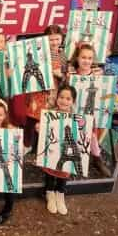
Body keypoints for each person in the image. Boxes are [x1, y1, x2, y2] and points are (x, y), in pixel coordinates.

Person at [68, 44, 111, 177]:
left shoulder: (98, 75)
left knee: (91, 134)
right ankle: (75, 161)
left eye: (89, 58)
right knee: (73, 135)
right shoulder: (71, 75)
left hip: (91, 113)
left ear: (93, 60)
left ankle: (97, 158)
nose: (86, 61)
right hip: (73, 112)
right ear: (77, 58)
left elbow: (105, 96)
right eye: (83, 57)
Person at [36, 84, 78, 215]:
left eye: (68, 98)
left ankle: (60, 194)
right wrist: (39, 128)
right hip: (52, 150)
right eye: (61, 97)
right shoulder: (50, 114)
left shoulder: (77, 118)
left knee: (64, 171)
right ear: (57, 98)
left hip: (66, 150)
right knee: (50, 170)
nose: (64, 101)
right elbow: (42, 132)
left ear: (73, 101)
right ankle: (49, 193)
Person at [25, 25, 67, 154]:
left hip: (53, 93)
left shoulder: (63, 55)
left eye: (57, 39)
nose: (54, 42)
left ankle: (43, 149)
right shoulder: (37, 53)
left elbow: (66, 77)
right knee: (31, 118)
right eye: (51, 39)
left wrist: (59, 74)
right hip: (37, 91)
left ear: (62, 39)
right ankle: (27, 145)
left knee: (47, 121)